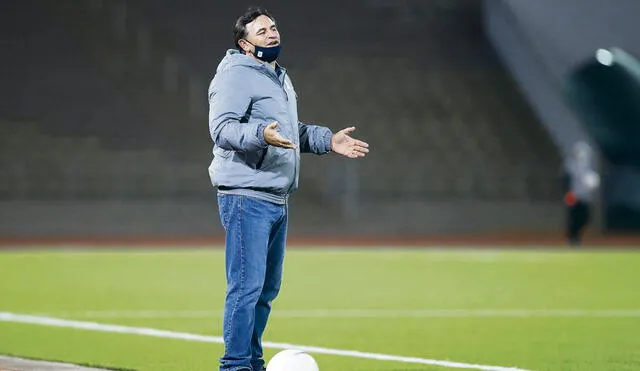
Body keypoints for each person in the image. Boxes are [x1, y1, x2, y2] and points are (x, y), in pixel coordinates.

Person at [207, 7, 370, 371]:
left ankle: (252, 362)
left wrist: (328, 140)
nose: (271, 33)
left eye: (273, 27)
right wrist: (258, 135)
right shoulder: (235, 75)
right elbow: (222, 129)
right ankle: (234, 366)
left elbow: (288, 133)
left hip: (275, 196)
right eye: (261, 30)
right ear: (244, 44)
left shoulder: (277, 76)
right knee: (246, 290)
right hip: (246, 194)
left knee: (264, 293)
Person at [562, 141, 600, 246]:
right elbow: (566, 180)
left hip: (585, 197)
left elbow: (590, 181)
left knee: (585, 217)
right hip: (573, 196)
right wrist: (568, 193)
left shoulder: (588, 167)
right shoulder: (570, 165)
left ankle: (576, 236)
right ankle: (572, 238)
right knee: (573, 216)